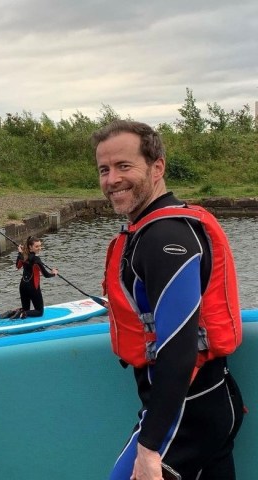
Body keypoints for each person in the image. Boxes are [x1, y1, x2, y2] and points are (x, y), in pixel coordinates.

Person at [93, 120, 244, 480]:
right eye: (104, 169)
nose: (112, 179)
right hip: (210, 401)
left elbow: (179, 348)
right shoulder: (155, 228)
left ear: (157, 167)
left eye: (124, 166)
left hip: (186, 412)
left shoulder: (164, 238)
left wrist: (149, 449)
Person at [5, 235, 57, 319]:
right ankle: (23, 313)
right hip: (33, 287)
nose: (39, 248)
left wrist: (20, 253)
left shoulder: (23, 255)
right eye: (36, 246)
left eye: (40, 246)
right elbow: (46, 275)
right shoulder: (36, 259)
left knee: (26, 308)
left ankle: (14, 312)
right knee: (39, 312)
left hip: (23, 286)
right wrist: (54, 273)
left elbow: (18, 266)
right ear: (30, 247)